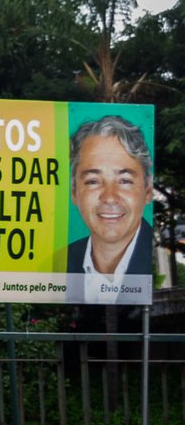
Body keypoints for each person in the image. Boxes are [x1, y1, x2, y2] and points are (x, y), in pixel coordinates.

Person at [66, 116, 154, 303]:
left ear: (147, 190)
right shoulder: (58, 263)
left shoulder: (156, 259)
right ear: (74, 192)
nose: (110, 197)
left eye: (124, 181)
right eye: (93, 181)